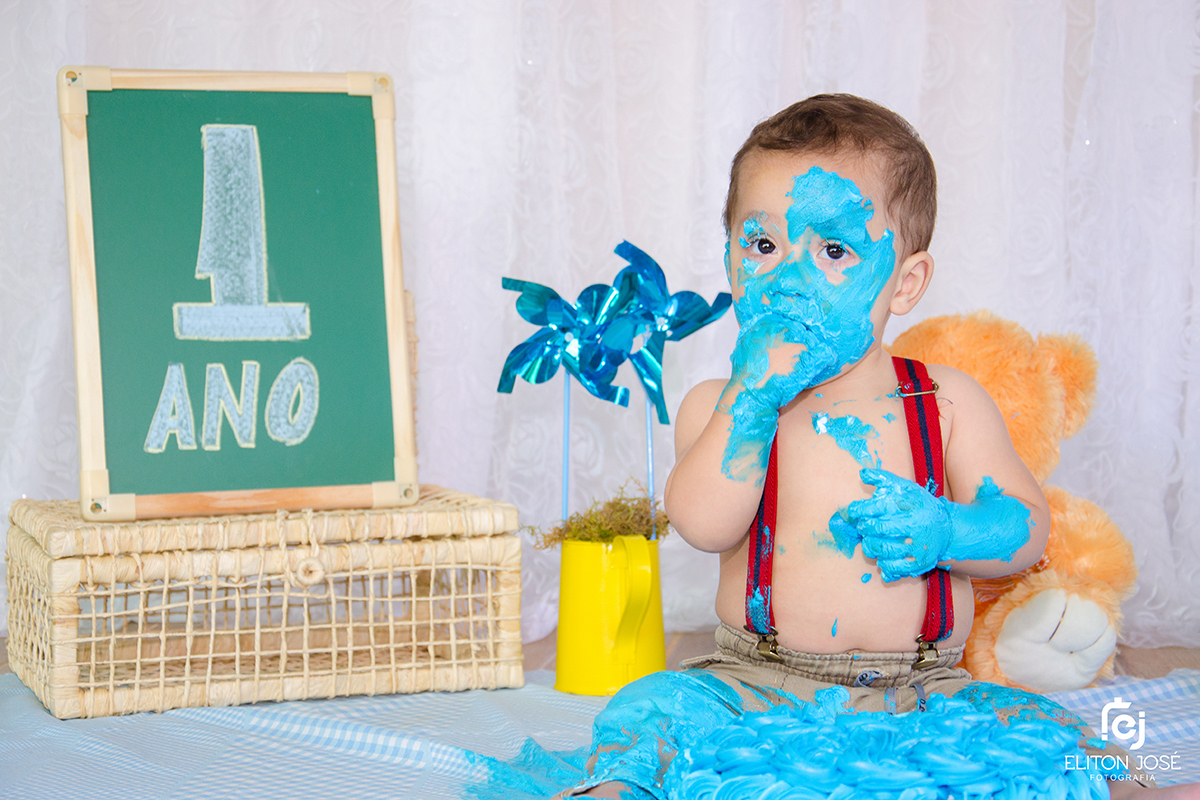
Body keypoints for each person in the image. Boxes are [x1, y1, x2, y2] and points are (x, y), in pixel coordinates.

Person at [563, 94, 1194, 799]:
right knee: (651, 710)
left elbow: (1024, 528)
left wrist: (947, 530)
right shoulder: (719, 403)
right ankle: (618, 789)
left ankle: (1140, 792)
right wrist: (753, 400)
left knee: (1049, 732)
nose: (789, 277)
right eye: (763, 245)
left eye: (834, 251)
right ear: (731, 261)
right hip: (755, 683)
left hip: (925, 689)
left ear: (906, 283)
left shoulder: (945, 401)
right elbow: (704, 524)